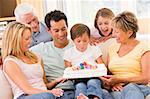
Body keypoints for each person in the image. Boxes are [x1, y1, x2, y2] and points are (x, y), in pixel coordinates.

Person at [2, 22, 64, 99]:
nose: (30, 41)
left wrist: (56, 81)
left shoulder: (37, 57)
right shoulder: (10, 62)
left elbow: (44, 85)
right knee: (48, 96)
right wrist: (50, 92)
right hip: (25, 96)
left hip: (44, 95)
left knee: (65, 95)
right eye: (26, 39)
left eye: (30, 37)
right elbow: (27, 89)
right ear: (15, 41)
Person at [101, 11, 150, 99]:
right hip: (118, 88)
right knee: (105, 93)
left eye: (117, 32)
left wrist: (120, 80)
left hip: (139, 86)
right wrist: (111, 84)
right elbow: (107, 73)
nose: (113, 35)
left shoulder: (144, 48)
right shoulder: (112, 48)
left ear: (129, 33)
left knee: (130, 88)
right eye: (113, 31)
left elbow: (146, 78)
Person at [30, 10, 75, 99]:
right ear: (49, 31)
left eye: (63, 29)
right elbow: (17, 51)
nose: (61, 34)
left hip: (78, 88)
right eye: (56, 30)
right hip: (58, 92)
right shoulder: (41, 49)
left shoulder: (77, 46)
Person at [63, 23, 104, 99]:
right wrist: (67, 75)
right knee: (80, 86)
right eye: (78, 41)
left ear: (89, 38)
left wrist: (102, 75)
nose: (82, 44)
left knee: (93, 83)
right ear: (73, 40)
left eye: (85, 41)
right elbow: (67, 69)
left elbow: (101, 65)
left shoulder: (95, 49)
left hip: (94, 76)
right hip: (78, 78)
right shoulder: (68, 53)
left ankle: (95, 97)